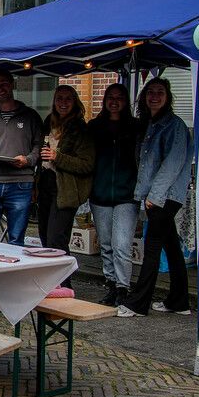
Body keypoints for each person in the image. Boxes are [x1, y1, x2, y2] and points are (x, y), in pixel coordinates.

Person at [118, 78, 194, 318]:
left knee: (152, 249)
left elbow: (173, 163)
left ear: (168, 97)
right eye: (150, 92)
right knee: (172, 247)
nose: (154, 96)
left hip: (164, 196)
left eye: (160, 92)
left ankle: (137, 304)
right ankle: (179, 301)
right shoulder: (149, 123)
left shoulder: (175, 126)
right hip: (155, 195)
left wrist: (155, 196)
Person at [0, 69, 43, 245]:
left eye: (3, 83)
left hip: (20, 184)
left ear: (12, 84)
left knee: (16, 239)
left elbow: (39, 147)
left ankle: (12, 272)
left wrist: (28, 160)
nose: (0, 88)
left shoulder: (30, 116)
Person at [37, 86, 95, 288]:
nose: (63, 102)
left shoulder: (80, 128)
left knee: (56, 239)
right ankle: (52, 284)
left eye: (68, 99)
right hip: (45, 184)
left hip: (66, 190)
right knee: (45, 237)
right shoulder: (48, 123)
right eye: (59, 98)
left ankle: (65, 286)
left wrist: (57, 157)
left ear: (75, 102)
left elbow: (87, 164)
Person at [88, 84, 140, 306]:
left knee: (122, 244)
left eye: (119, 97)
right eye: (111, 97)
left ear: (126, 102)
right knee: (107, 243)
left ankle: (123, 286)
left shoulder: (135, 127)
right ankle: (110, 282)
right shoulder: (95, 126)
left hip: (127, 194)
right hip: (100, 193)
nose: (114, 101)